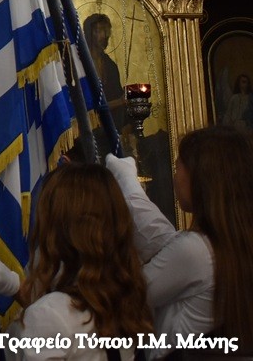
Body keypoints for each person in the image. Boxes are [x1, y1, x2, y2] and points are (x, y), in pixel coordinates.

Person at [0, 163, 153, 359]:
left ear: (55, 229)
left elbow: (57, 315)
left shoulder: (49, 314)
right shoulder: (124, 297)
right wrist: (14, 285)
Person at [107, 125, 253, 356]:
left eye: (178, 166)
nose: (175, 176)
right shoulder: (227, 243)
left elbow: (122, 298)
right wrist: (127, 182)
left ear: (202, 177)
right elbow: (161, 236)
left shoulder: (196, 252)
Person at [84, 13, 125, 157]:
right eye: (99, 30)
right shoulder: (81, 65)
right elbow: (86, 104)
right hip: (86, 133)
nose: (104, 35)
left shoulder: (110, 66)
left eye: (106, 31)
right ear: (90, 33)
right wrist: (119, 102)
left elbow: (117, 94)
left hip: (108, 132)